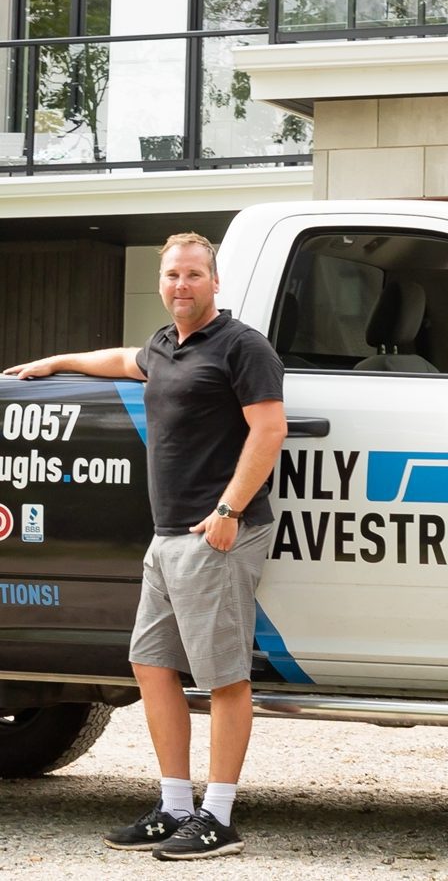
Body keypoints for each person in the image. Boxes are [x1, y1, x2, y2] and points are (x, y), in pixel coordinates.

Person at [4, 231, 287, 862]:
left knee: (222, 677)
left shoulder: (242, 346)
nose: (180, 285)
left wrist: (228, 510)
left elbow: (270, 429)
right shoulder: (165, 346)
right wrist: (55, 363)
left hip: (215, 532)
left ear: (215, 282)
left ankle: (218, 817)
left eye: (192, 275)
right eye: (171, 276)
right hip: (166, 536)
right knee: (151, 664)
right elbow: (122, 359)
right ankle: (174, 806)